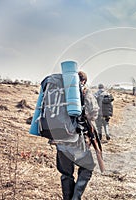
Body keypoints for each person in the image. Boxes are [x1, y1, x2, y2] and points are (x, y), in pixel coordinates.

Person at [56, 71, 99, 200]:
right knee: (87, 167)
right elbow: (93, 113)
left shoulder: (58, 92)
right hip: (78, 138)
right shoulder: (84, 92)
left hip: (59, 137)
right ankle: (75, 198)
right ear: (83, 81)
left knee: (66, 173)